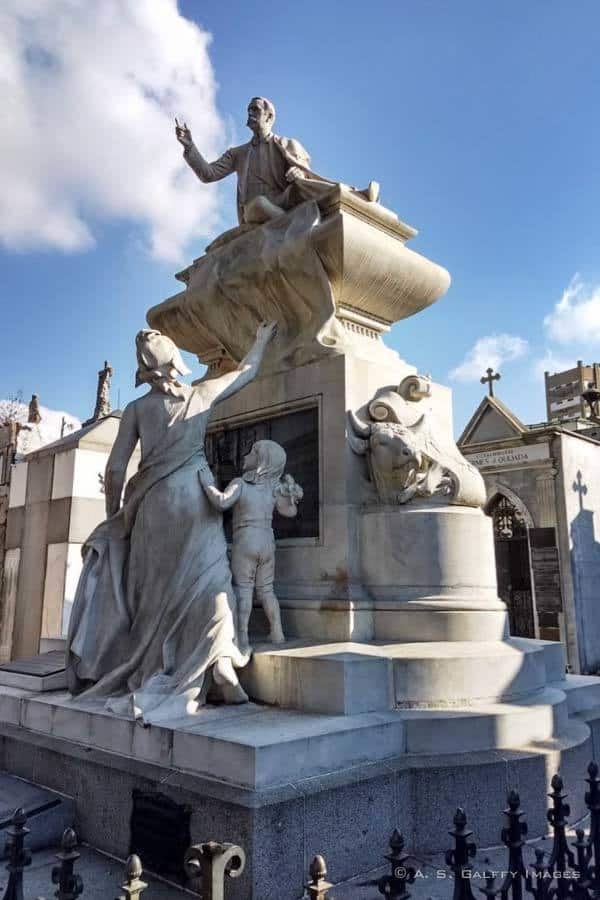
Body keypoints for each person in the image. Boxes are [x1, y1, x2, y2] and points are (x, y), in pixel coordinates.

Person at [65, 321, 277, 725]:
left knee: (155, 600)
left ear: (145, 370)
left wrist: (116, 518)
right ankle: (219, 662)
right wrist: (262, 337)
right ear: (176, 362)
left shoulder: (138, 409)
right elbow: (248, 371)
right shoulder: (200, 394)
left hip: (154, 507)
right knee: (211, 583)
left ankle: (159, 668)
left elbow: (114, 471)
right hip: (197, 498)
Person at [175, 96, 379, 226]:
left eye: (255, 110)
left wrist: (299, 173)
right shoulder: (237, 154)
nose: (250, 113)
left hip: (282, 201)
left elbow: (304, 173)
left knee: (302, 186)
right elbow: (208, 174)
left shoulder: (286, 144)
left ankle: (356, 196)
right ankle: (298, 225)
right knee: (258, 204)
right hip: (255, 210)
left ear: (269, 116)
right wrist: (189, 147)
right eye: (248, 110)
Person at [199, 441, 303, 653]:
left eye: (251, 452)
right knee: (267, 590)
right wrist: (290, 494)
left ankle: (243, 638)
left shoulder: (240, 483)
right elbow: (290, 513)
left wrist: (207, 483)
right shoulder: (274, 488)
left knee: (244, 590)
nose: (245, 455)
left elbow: (221, 502)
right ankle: (277, 633)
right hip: (267, 541)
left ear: (261, 460)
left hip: (245, 540)